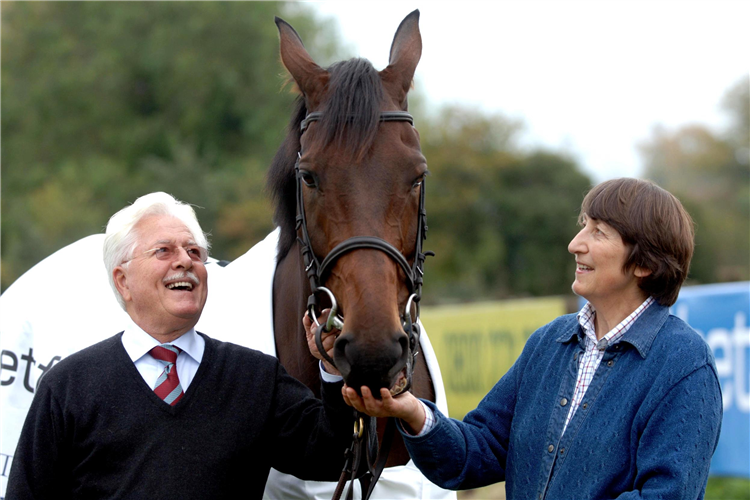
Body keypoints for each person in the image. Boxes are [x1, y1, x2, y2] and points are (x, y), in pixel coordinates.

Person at [341, 178, 723, 500]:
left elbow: (667, 495)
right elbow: (477, 452)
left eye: (599, 232)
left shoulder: (685, 363)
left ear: (645, 264)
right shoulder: (548, 342)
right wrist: (413, 411)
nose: (576, 243)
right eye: (583, 225)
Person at [5, 192, 355, 499]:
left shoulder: (256, 379)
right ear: (123, 280)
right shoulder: (69, 386)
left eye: (194, 251)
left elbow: (330, 456)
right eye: (163, 251)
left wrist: (332, 369)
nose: (185, 261)